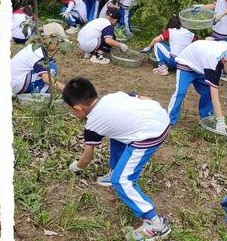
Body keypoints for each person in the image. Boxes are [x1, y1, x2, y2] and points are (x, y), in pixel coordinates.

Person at [64, 77, 172, 240]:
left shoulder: (93, 124)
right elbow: (144, 98)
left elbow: (87, 157)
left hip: (149, 135)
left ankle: (155, 223)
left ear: (78, 108)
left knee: (121, 180)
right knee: (117, 134)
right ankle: (116, 169)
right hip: (160, 117)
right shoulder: (110, 98)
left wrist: (75, 167)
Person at [168, 40, 227, 133]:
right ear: (225, 61)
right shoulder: (213, 64)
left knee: (208, 92)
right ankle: (170, 122)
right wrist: (221, 121)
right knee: (180, 92)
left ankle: (207, 120)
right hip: (187, 62)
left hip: (202, 65)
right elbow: (215, 97)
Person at [10, 25, 64, 95]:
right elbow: (47, 79)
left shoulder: (35, 46)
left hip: (13, 81)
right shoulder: (38, 52)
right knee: (51, 68)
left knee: (48, 65)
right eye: (57, 43)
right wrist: (65, 89)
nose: (58, 46)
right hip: (16, 84)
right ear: (50, 39)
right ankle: (40, 95)